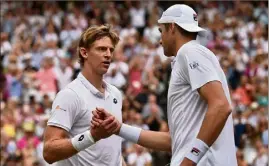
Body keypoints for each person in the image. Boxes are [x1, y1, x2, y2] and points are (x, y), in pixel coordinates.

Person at [91, 4, 237, 166]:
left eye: (161, 31)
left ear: (172, 27)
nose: (160, 40)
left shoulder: (189, 51)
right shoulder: (189, 57)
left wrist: (188, 162)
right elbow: (172, 141)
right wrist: (118, 128)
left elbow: (221, 106)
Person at [43, 24, 127, 166]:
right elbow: (49, 152)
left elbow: (113, 152)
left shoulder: (115, 94)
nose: (108, 54)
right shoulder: (69, 95)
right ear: (84, 52)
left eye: (111, 50)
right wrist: (91, 136)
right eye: (101, 49)